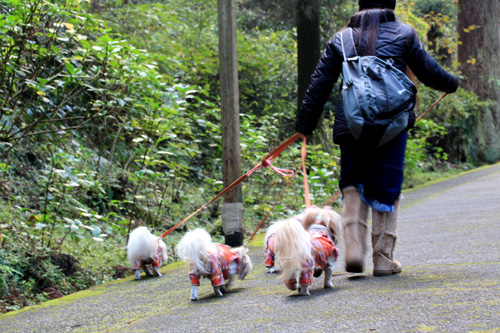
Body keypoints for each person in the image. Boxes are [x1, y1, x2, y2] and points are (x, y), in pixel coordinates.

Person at [295, 0, 459, 276]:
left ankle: (354, 252)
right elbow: (429, 72)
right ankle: (383, 260)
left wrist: (304, 125)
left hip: (351, 123)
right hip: (392, 126)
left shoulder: (342, 38)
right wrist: (452, 83)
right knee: (388, 184)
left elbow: (319, 84)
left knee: (352, 182)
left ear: (360, 5)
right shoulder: (404, 34)